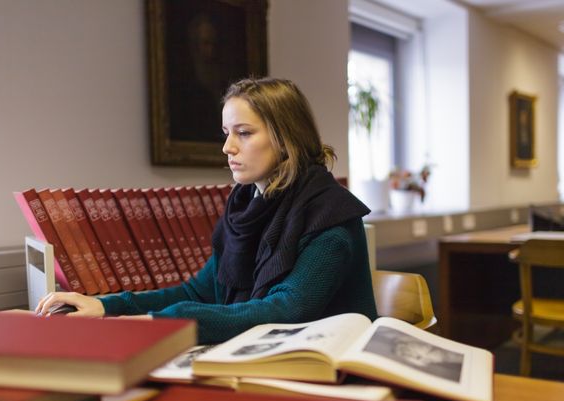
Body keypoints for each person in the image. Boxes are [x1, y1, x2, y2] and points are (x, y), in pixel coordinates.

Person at [36, 77, 378, 344]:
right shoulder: (246, 207)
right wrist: (107, 306)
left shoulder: (331, 216)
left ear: (286, 138)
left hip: (330, 372)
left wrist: (163, 323)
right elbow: (197, 292)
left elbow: (289, 308)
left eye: (244, 133)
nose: (227, 147)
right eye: (227, 133)